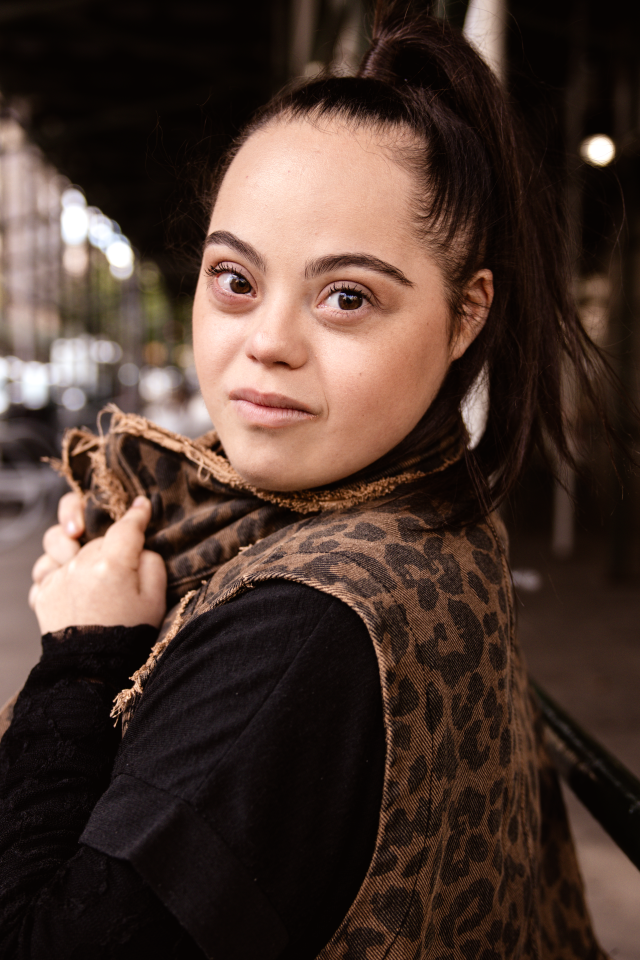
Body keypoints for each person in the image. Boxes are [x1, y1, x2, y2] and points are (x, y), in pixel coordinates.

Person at [0, 4, 616, 958]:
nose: (267, 345)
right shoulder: (441, 515)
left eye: (346, 297)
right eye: (235, 281)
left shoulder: (300, 630)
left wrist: (81, 658)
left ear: (466, 316)